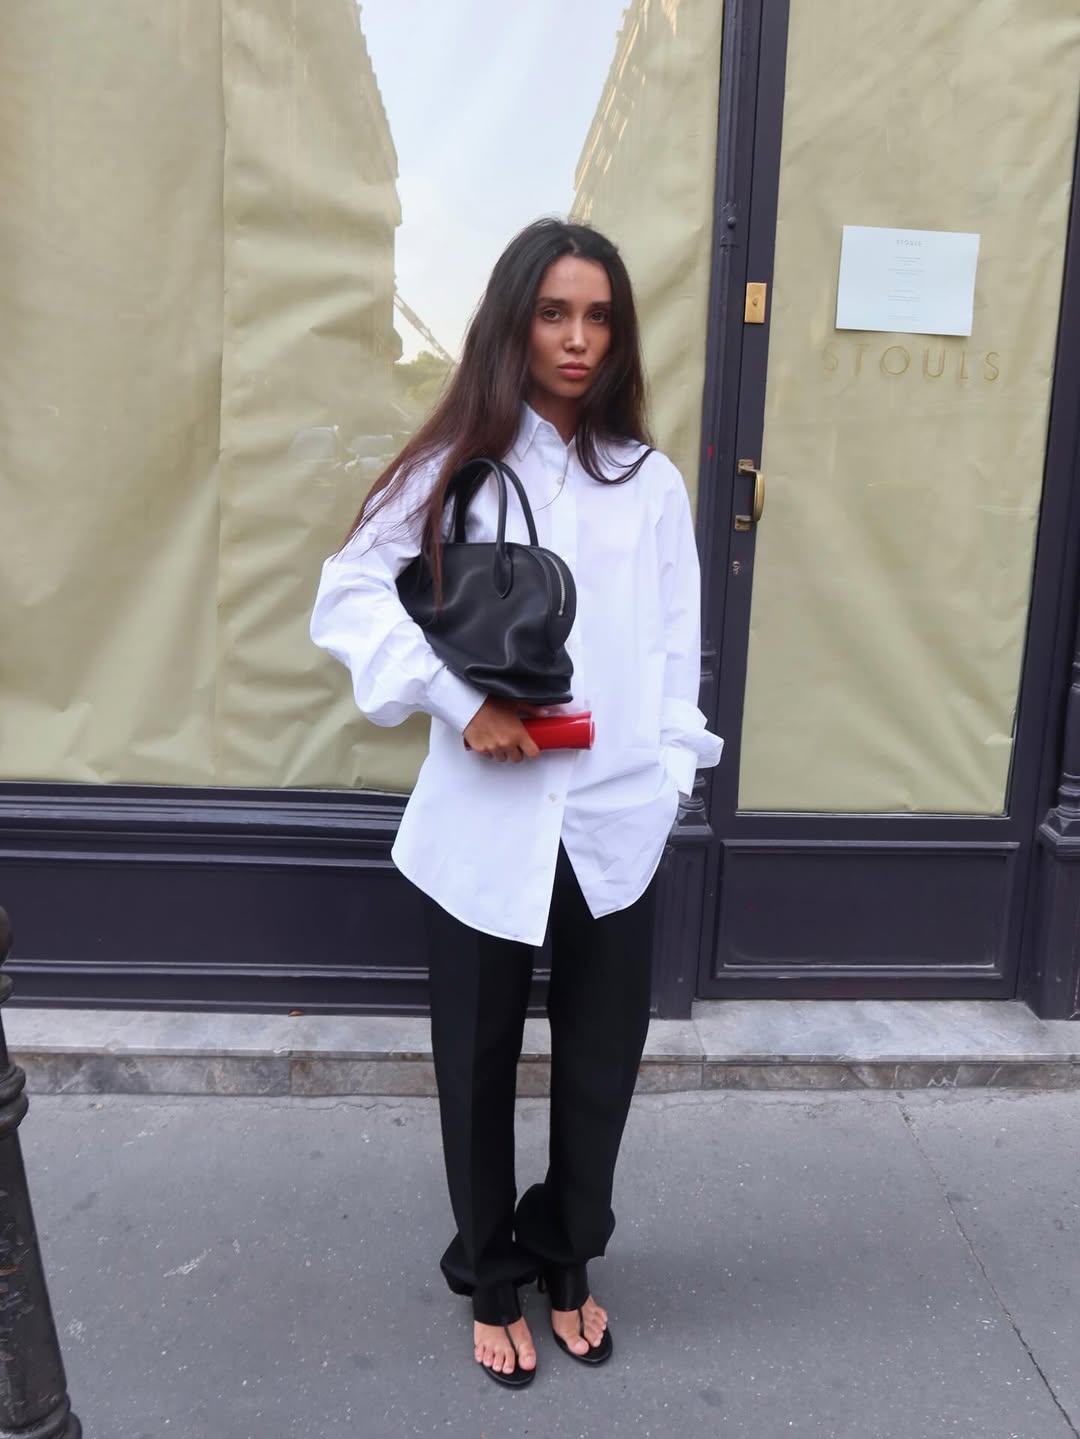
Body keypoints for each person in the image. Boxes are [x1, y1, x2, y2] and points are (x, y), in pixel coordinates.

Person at [310, 218, 722, 1387]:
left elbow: (674, 645)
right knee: (478, 1063)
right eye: (554, 313)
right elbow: (347, 596)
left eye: (598, 316)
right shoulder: (460, 465)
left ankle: (566, 1250)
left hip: (615, 823)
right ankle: (492, 1278)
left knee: (602, 1065)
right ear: (514, 322)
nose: (578, 338)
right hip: (489, 824)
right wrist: (457, 698)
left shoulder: (650, 481)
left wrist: (670, 778)